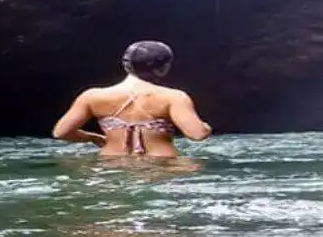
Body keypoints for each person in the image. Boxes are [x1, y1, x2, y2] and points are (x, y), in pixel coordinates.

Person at [51, 41, 212, 157]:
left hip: (111, 164)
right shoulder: (173, 96)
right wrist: (205, 127)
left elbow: (61, 132)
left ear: (126, 65)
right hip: (162, 167)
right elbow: (196, 134)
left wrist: (93, 137)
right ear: (163, 67)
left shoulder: (92, 96)